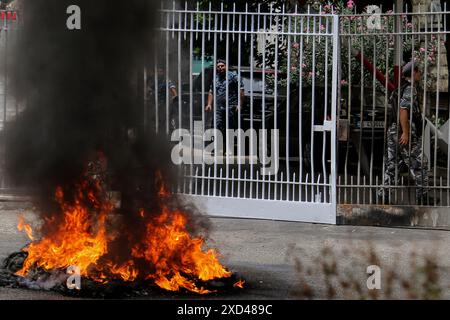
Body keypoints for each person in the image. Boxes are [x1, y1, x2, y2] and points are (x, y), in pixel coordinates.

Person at [378, 61, 430, 205]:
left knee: (392, 165)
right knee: (420, 164)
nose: (420, 73)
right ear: (413, 72)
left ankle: (383, 196)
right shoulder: (410, 89)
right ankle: (423, 197)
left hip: (393, 131)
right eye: (419, 71)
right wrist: (406, 133)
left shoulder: (398, 89)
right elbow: (403, 111)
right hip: (403, 132)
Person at [205, 59, 245, 136]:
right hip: (218, 108)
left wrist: (240, 105)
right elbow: (211, 91)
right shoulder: (216, 78)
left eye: (222, 66)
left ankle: (229, 145)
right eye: (218, 66)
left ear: (226, 66)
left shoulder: (234, 77)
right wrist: (209, 104)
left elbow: (241, 91)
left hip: (230, 107)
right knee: (217, 127)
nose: (220, 68)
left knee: (230, 128)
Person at [147, 68, 178, 133]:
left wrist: (175, 96)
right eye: (158, 72)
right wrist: (149, 92)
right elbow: (150, 88)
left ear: (163, 72)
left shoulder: (166, 80)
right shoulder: (156, 81)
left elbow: (172, 88)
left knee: (167, 118)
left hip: (164, 103)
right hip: (155, 102)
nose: (159, 73)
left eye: (160, 71)